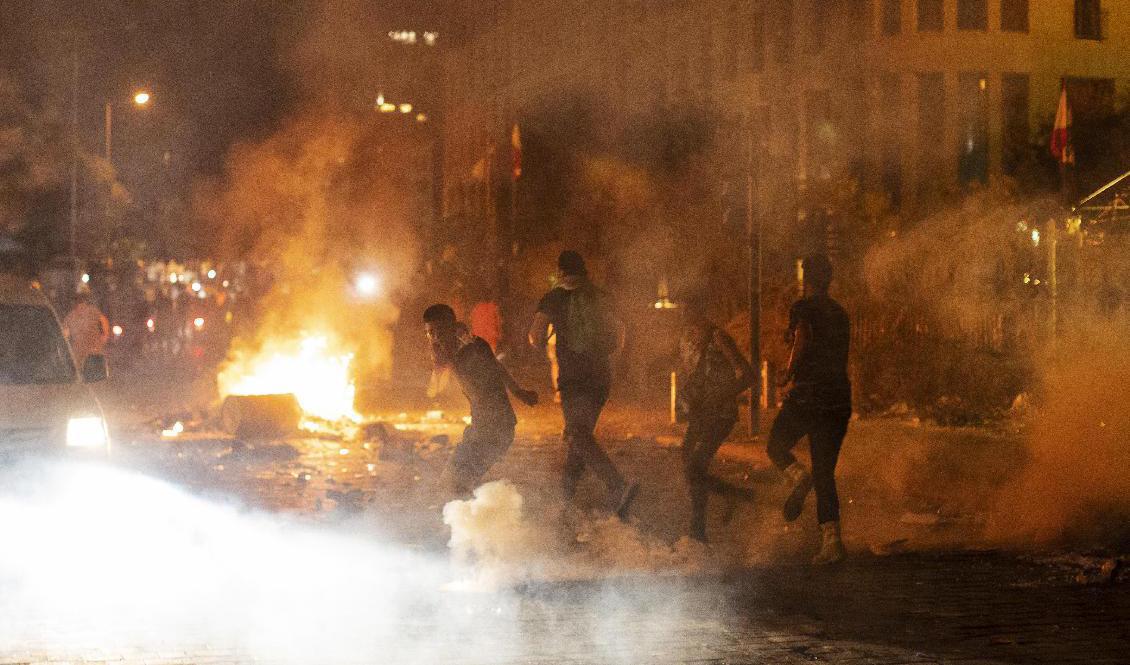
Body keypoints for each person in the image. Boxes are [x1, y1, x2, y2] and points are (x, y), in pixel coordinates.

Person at [529, 250, 638, 520]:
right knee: (581, 436)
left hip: (573, 377)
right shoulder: (600, 295)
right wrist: (617, 358)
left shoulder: (554, 297)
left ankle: (617, 484)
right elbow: (624, 329)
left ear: (561, 271)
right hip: (600, 376)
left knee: (577, 434)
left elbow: (535, 335)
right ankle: (564, 501)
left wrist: (544, 343)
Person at [767, 253, 852, 565]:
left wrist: (788, 372)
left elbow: (802, 335)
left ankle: (798, 476)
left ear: (808, 278)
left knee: (776, 444)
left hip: (810, 395)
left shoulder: (804, 308)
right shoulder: (840, 313)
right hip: (838, 397)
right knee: (825, 471)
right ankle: (832, 541)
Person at [424, 304, 538, 495]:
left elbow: (496, 369)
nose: (435, 337)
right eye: (430, 333)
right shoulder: (451, 351)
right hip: (480, 428)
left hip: (496, 429)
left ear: (452, 327)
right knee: (453, 484)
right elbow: (435, 389)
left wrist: (519, 392)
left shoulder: (474, 348)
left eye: (440, 331)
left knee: (455, 484)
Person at [676, 302, 757, 543]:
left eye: (688, 308)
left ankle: (698, 530)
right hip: (701, 413)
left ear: (699, 310)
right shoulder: (693, 339)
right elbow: (698, 377)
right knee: (690, 464)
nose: (684, 314)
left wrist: (720, 395)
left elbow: (748, 375)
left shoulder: (718, 337)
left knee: (695, 466)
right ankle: (731, 496)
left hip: (720, 414)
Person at [63, 291, 109, 369]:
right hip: (79, 352)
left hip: (94, 350)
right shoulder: (70, 317)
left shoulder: (92, 311)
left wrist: (105, 335)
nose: (81, 305)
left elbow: (103, 320)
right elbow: (65, 334)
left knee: (96, 370)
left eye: (82, 302)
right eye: (78, 302)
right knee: (81, 370)